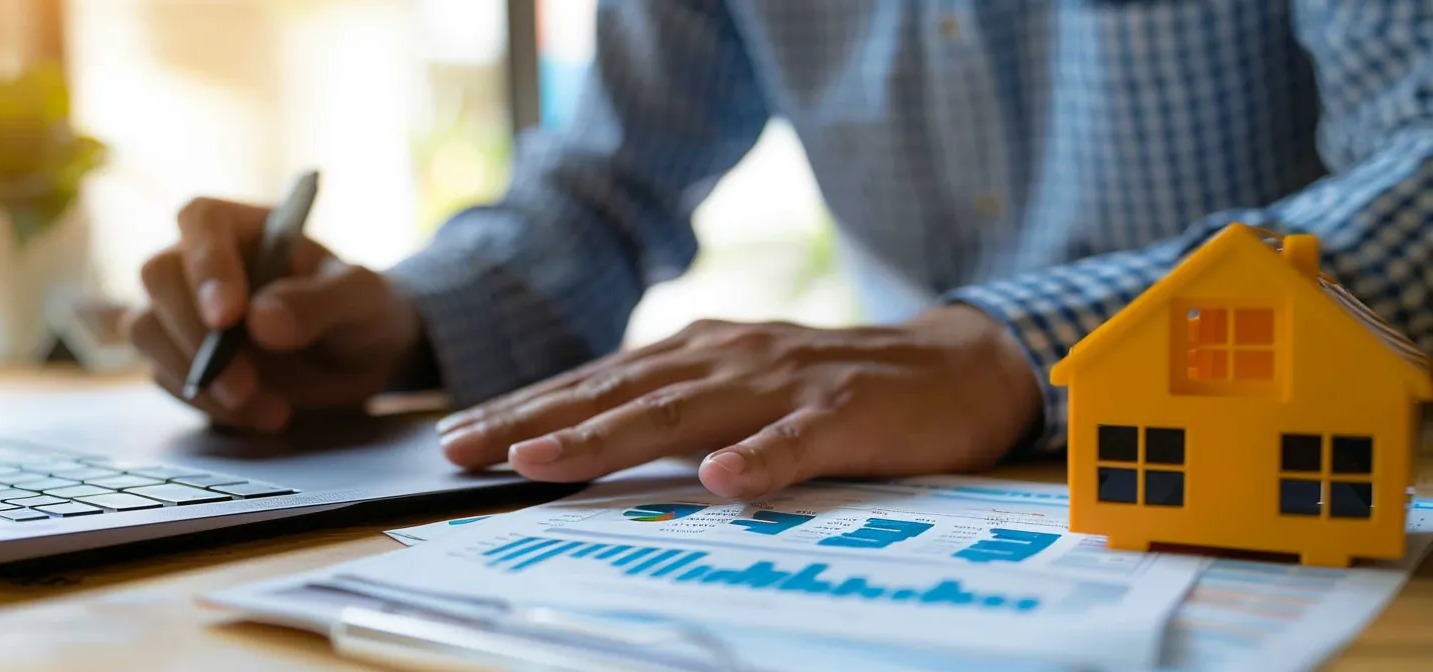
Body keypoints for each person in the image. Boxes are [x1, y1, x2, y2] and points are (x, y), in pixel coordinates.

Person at [125, 2, 1433, 500]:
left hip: (1311, 501)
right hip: (932, 516)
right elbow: (600, 193)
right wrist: (400, 320)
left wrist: (999, 352)